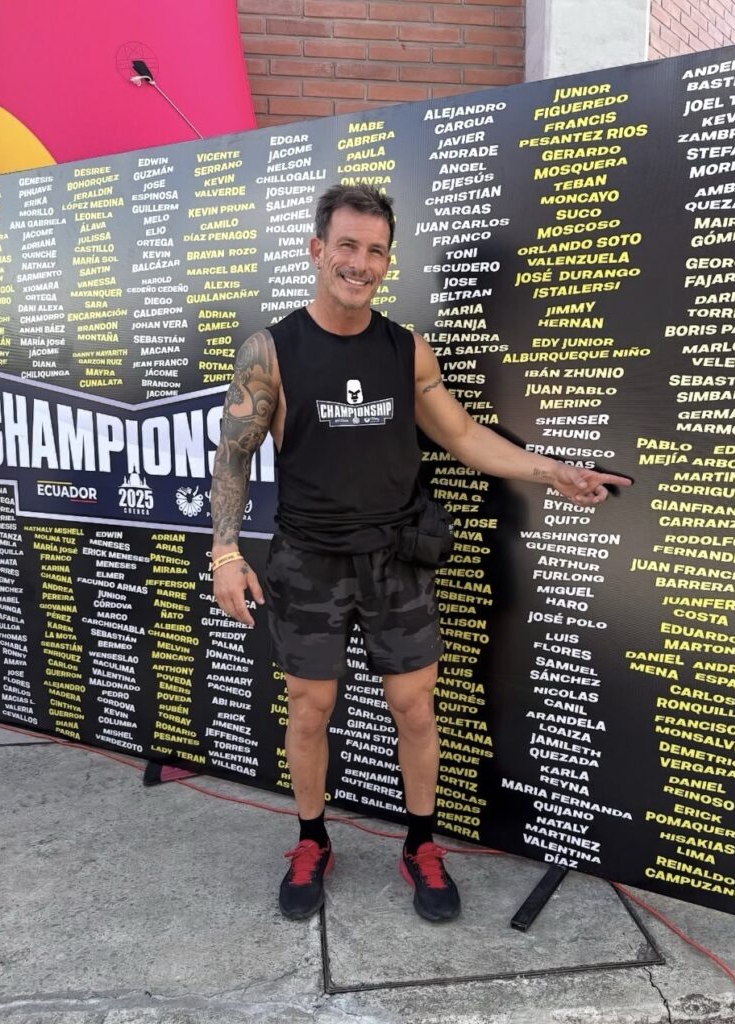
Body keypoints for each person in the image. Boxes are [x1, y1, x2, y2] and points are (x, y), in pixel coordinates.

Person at [209, 184, 631, 923]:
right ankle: (311, 840)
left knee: (414, 708)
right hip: (307, 560)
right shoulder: (269, 351)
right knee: (309, 711)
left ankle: (421, 845)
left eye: (375, 250)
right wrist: (224, 555)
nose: (360, 263)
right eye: (347, 245)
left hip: (397, 561)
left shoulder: (404, 349)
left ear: (386, 261)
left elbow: (462, 435)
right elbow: (233, 456)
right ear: (317, 250)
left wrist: (553, 473)